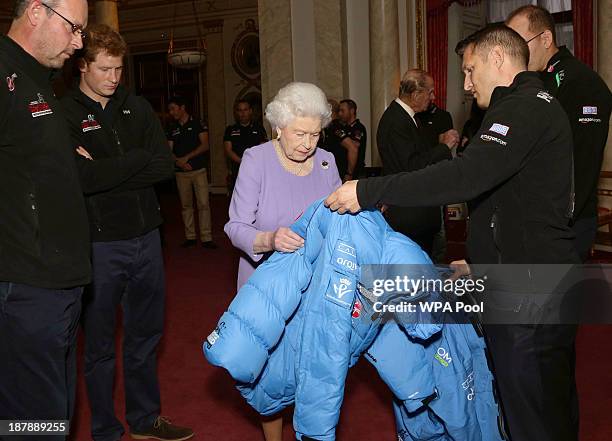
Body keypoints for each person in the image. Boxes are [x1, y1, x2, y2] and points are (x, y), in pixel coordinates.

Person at [325, 24, 579, 441]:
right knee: (546, 403)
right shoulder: (526, 103)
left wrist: (367, 190)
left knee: (532, 415)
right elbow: (511, 199)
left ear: (497, 60)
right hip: (525, 275)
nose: (464, 83)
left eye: (469, 69)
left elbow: (465, 176)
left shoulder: (524, 107)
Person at [61, 24, 193, 441]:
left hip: (148, 239)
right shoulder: (64, 113)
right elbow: (81, 178)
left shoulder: (134, 107)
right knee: (98, 347)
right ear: (83, 66)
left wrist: (109, 170)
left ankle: (144, 420)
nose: (113, 78)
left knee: (145, 338)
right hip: (100, 246)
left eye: (118, 69)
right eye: (104, 69)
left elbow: (164, 166)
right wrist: (137, 163)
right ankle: (105, 430)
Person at [224, 82, 341, 441]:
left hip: (316, 287)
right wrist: (270, 239)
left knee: (314, 374)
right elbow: (235, 225)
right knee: (271, 379)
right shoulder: (257, 159)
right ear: (278, 126)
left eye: (316, 134)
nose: (308, 143)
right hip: (268, 288)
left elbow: (338, 219)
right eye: (300, 133)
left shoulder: (326, 161)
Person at [0, 0, 89, 435]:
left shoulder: (40, 81)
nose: (79, 42)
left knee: (53, 415)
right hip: (26, 286)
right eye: (74, 28)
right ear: (37, 11)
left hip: (59, 284)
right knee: (33, 422)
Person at [506, 5, 612, 262]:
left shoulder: (581, 82)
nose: (515, 54)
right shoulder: (534, 82)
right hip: (534, 220)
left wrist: (557, 221)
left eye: (521, 43)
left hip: (563, 225)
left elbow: (582, 161)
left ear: (545, 39)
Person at [377, 69, 459, 255]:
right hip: (408, 213)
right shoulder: (396, 120)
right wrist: (444, 146)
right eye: (430, 92)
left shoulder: (408, 118)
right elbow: (411, 165)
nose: (433, 97)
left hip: (417, 211)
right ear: (416, 95)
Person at [167, 96, 216, 249]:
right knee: (186, 205)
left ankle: (206, 237)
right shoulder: (171, 127)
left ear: (182, 108)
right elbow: (168, 150)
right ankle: (190, 237)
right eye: (170, 109)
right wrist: (178, 161)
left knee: (203, 204)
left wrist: (187, 157)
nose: (171, 112)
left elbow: (205, 145)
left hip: (198, 170)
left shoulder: (197, 123)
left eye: (173, 108)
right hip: (180, 172)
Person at [224, 99, 268, 191]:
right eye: (240, 110)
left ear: (250, 111)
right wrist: (243, 162)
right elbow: (228, 150)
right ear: (236, 112)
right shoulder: (230, 129)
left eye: (245, 110)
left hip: (256, 170)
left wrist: (251, 163)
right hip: (237, 171)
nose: (243, 113)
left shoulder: (258, 128)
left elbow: (263, 148)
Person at [337, 99, 367, 180]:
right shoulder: (344, 128)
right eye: (339, 111)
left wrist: (349, 173)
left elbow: (355, 146)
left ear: (352, 111)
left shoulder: (358, 128)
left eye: (343, 111)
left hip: (356, 174)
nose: (340, 114)